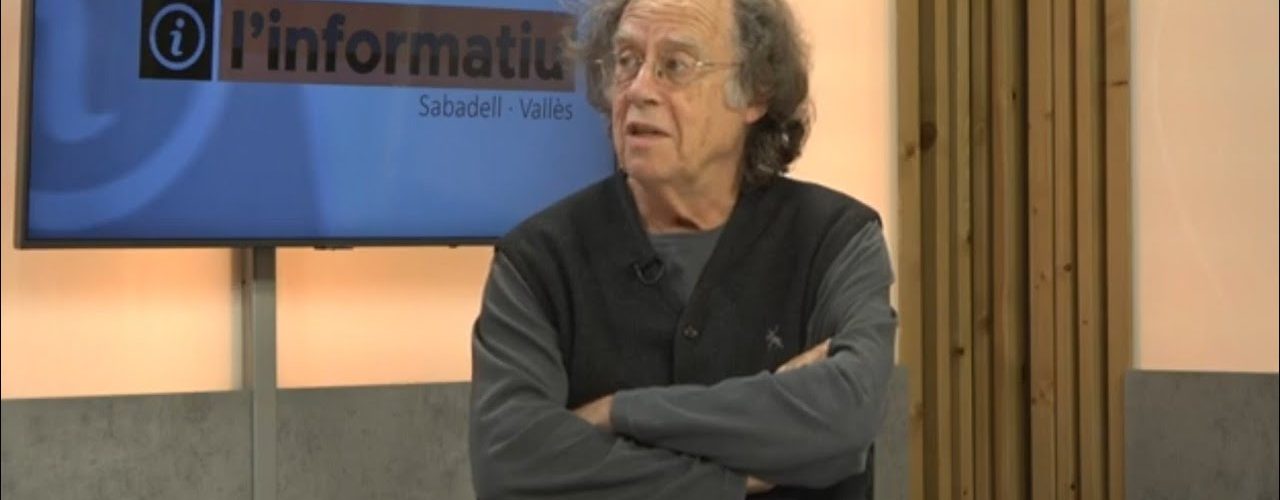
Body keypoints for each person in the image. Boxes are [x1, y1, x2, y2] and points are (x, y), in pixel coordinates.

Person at [468, 0, 897, 498]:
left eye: (675, 65)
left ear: (755, 91)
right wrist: (736, 479)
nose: (639, 89)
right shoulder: (537, 262)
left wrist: (618, 413)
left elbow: (847, 414)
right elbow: (510, 464)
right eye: (627, 61)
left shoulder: (837, 239)